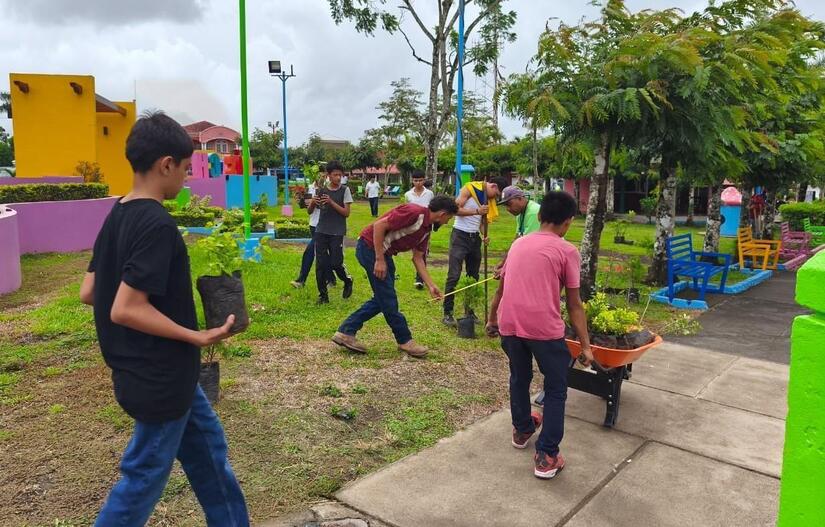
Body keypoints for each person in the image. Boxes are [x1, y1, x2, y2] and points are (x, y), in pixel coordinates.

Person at [79, 111, 249, 525]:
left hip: (159, 373)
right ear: (165, 165)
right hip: (160, 378)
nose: (187, 178)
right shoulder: (157, 223)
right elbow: (125, 307)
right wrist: (194, 335)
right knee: (142, 479)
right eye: (186, 168)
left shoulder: (118, 212)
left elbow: (89, 291)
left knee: (210, 454)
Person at [497, 191, 593, 480]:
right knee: (555, 388)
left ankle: (523, 427)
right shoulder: (567, 251)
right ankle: (547, 455)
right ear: (568, 222)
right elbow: (575, 305)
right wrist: (586, 347)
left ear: (538, 216)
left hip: (510, 324)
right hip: (543, 330)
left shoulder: (518, 244)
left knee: (519, 376)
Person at [333, 196, 458, 358]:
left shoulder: (426, 231)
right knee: (388, 298)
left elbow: (418, 258)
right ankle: (405, 340)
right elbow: (379, 225)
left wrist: (431, 285)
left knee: (383, 298)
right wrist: (379, 259)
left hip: (384, 254)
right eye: (449, 218)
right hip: (370, 248)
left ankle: (345, 331)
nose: (447, 222)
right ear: (442, 214)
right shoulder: (414, 213)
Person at [442, 176, 507, 326]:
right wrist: (477, 210)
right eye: (496, 194)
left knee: (474, 276)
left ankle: (469, 311)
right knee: (454, 274)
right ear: (494, 186)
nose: (495, 199)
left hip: (474, 238)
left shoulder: (488, 199)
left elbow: (482, 222)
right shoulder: (470, 188)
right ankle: (447, 313)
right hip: (460, 235)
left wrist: (484, 235)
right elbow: (455, 210)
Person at [486, 186, 542, 337]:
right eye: (505, 206)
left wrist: (507, 266)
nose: (508, 209)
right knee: (504, 286)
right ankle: (494, 322)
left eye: (509, 204)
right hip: (528, 254)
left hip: (540, 259)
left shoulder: (534, 212)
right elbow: (517, 239)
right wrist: (504, 262)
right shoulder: (521, 214)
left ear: (520, 199)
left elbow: (526, 244)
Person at [314, 161, 354, 304]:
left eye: (340, 175)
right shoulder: (322, 190)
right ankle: (323, 295)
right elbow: (312, 210)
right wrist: (314, 201)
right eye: (335, 175)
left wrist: (331, 202)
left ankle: (347, 280)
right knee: (321, 264)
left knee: (336, 263)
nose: (338, 177)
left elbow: (346, 213)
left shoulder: (345, 190)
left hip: (337, 232)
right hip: (321, 230)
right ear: (328, 176)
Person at [291, 179, 336, 289]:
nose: (320, 175)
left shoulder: (329, 187)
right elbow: (306, 207)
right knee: (323, 253)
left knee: (309, 251)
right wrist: (303, 201)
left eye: (322, 173)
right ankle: (331, 278)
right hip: (313, 223)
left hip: (324, 225)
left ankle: (301, 280)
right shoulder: (310, 186)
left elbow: (331, 205)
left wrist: (318, 202)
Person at [404, 170, 435, 289]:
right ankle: (419, 275)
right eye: (416, 180)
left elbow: (432, 209)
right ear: (412, 181)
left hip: (426, 225)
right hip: (413, 226)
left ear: (424, 180)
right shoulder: (408, 194)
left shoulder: (429, 194)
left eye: (420, 180)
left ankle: (420, 278)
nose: (418, 183)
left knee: (422, 251)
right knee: (415, 251)